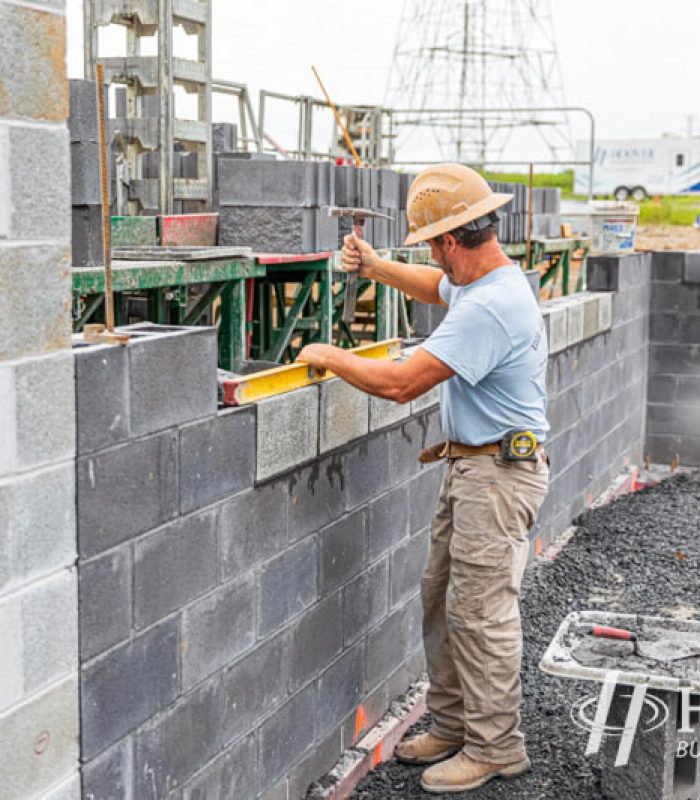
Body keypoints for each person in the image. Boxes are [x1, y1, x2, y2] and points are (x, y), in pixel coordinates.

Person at [298, 163, 549, 794]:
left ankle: (496, 746)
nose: (434, 259)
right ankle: (455, 724)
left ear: (451, 239)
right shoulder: (481, 278)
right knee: (441, 599)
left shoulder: (490, 307)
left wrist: (329, 354)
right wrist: (378, 267)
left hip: (499, 475)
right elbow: (438, 287)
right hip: (473, 466)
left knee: (480, 613)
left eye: (434, 245)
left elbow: (401, 383)